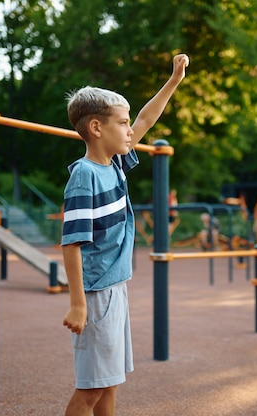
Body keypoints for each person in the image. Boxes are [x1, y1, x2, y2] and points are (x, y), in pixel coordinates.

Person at [61, 53, 189, 416]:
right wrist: (78, 303)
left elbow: (147, 118)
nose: (131, 129)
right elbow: (71, 243)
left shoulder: (113, 162)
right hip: (97, 293)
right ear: (97, 128)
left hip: (116, 287)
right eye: (122, 122)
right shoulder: (84, 176)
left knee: (110, 383)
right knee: (91, 389)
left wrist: (174, 80)